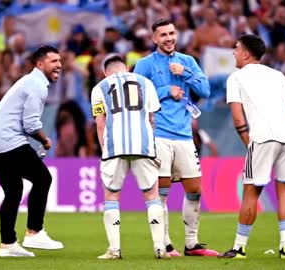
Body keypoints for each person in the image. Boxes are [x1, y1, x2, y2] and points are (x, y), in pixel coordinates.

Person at [133, 18, 218, 257]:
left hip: (184, 135)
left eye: (171, 33)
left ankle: (192, 244)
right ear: (154, 39)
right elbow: (136, 97)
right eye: (163, 35)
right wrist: (164, 91)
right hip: (158, 134)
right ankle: (167, 244)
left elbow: (205, 91)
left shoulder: (187, 61)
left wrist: (186, 74)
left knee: (195, 189)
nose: (168, 38)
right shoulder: (144, 64)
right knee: (162, 191)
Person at [217, 35, 285, 259]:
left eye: (236, 49)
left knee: (250, 193)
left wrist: (249, 144)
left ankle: (239, 248)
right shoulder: (278, 75)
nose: (233, 52)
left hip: (262, 138)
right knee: (284, 191)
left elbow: (237, 117)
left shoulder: (236, 78)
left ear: (245, 53)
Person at [0, 45, 64, 257]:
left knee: (13, 191)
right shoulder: (37, 85)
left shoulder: (28, 81)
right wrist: (45, 140)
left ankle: (8, 244)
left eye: (59, 61)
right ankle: (34, 232)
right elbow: (30, 124)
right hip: (8, 140)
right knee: (43, 179)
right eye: (53, 61)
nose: (59, 65)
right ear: (39, 64)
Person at [92, 54, 169, 259]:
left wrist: (104, 149)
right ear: (127, 68)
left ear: (105, 72)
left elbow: (100, 123)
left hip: (114, 147)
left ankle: (114, 250)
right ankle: (160, 248)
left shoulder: (99, 87)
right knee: (152, 196)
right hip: (143, 145)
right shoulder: (146, 83)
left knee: (111, 197)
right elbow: (152, 118)